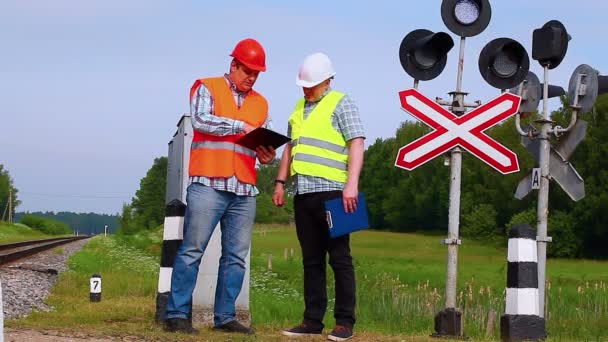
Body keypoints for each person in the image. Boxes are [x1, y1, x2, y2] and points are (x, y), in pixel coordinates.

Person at [164, 38, 276, 335]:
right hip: (208, 184)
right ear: (233, 65)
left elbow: (258, 141)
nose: (251, 77)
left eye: (256, 73)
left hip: (244, 190)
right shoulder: (207, 87)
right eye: (247, 70)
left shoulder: (261, 103)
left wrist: (266, 154)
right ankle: (176, 315)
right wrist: (240, 127)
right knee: (192, 250)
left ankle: (225, 317)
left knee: (236, 257)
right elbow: (201, 121)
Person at [273, 52, 365, 341]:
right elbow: (289, 148)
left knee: (340, 258)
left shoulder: (342, 102)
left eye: (310, 85)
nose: (305, 89)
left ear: (327, 81)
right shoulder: (298, 108)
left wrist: (352, 185)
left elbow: (357, 143)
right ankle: (312, 321)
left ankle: (344, 323)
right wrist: (280, 182)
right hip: (303, 194)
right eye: (303, 85)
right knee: (311, 260)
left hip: (336, 193)